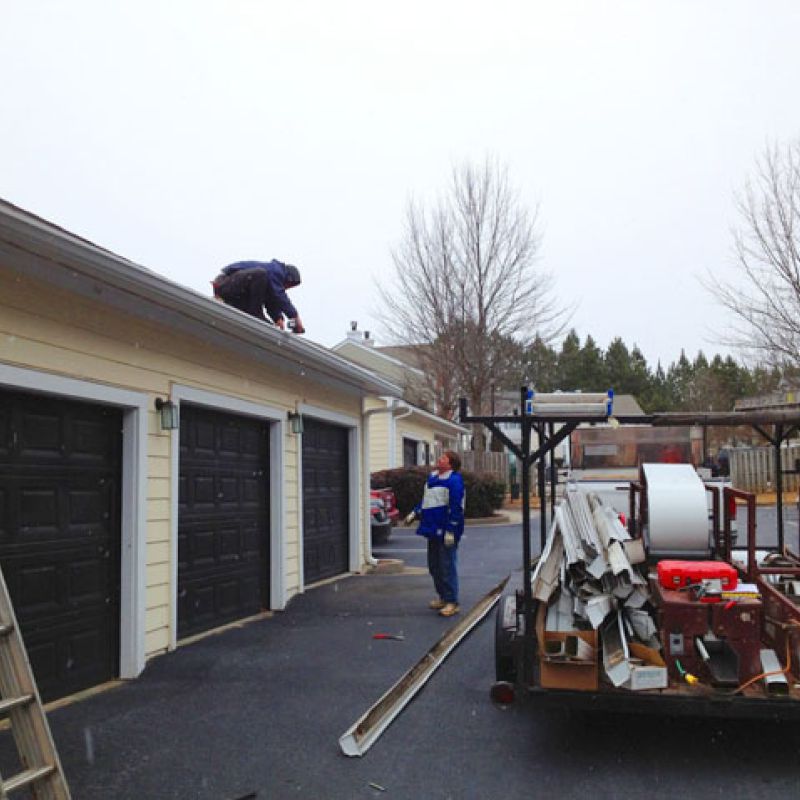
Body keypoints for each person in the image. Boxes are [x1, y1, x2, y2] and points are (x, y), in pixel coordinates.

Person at [405, 450, 465, 617]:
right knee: (434, 566)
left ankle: (452, 601)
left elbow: (456, 507)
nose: (440, 459)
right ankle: (443, 597)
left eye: (444, 458)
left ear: (451, 464)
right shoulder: (432, 479)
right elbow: (427, 501)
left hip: (446, 530)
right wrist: (415, 512)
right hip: (432, 528)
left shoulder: (454, 481)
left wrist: (451, 530)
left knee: (447, 566)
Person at [212, 260, 305, 333]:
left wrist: (278, 319)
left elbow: (271, 300)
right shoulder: (275, 271)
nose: (286, 288)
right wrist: (294, 316)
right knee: (260, 274)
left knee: (267, 322)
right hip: (225, 284)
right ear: (288, 277)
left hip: (237, 296)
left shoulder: (270, 283)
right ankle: (255, 313)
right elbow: (279, 295)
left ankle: (254, 314)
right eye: (288, 285)